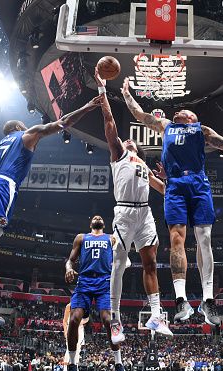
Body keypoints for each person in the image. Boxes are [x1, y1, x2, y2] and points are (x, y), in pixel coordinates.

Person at [121, 77, 223, 325]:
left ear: (193, 118)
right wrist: (126, 94)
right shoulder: (165, 126)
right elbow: (140, 115)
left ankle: (208, 301)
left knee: (204, 238)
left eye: (185, 111)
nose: (180, 110)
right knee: (177, 239)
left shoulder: (201, 130)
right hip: (174, 185)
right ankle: (181, 300)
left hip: (198, 184)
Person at [0, 98, 101, 331]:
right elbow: (61, 123)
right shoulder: (25, 135)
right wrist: (87, 106)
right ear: (19, 128)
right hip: (2, 185)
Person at [94, 69, 172, 343]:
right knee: (118, 264)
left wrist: (167, 179)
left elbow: (163, 190)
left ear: (137, 146)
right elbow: (110, 124)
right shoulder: (119, 155)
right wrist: (103, 91)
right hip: (125, 212)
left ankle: (156, 314)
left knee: (150, 263)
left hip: (146, 214)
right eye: (125, 139)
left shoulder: (143, 165)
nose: (127, 140)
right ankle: (115, 321)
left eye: (131, 140)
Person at [64, 215, 125, 371]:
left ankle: (119, 364)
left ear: (103, 224)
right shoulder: (81, 238)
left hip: (104, 282)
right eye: (94, 217)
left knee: (107, 319)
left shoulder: (111, 238)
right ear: (91, 223)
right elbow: (70, 260)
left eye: (100, 217)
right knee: (74, 318)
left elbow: (122, 257)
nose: (97, 217)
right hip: (84, 281)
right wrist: (69, 268)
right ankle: (72, 364)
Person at [62, 303, 89, 371]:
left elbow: (87, 319)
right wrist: (65, 331)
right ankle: (65, 369)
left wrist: (80, 321)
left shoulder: (84, 306)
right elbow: (64, 321)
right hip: (70, 328)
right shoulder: (69, 306)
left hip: (79, 329)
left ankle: (75, 369)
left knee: (78, 349)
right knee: (69, 348)